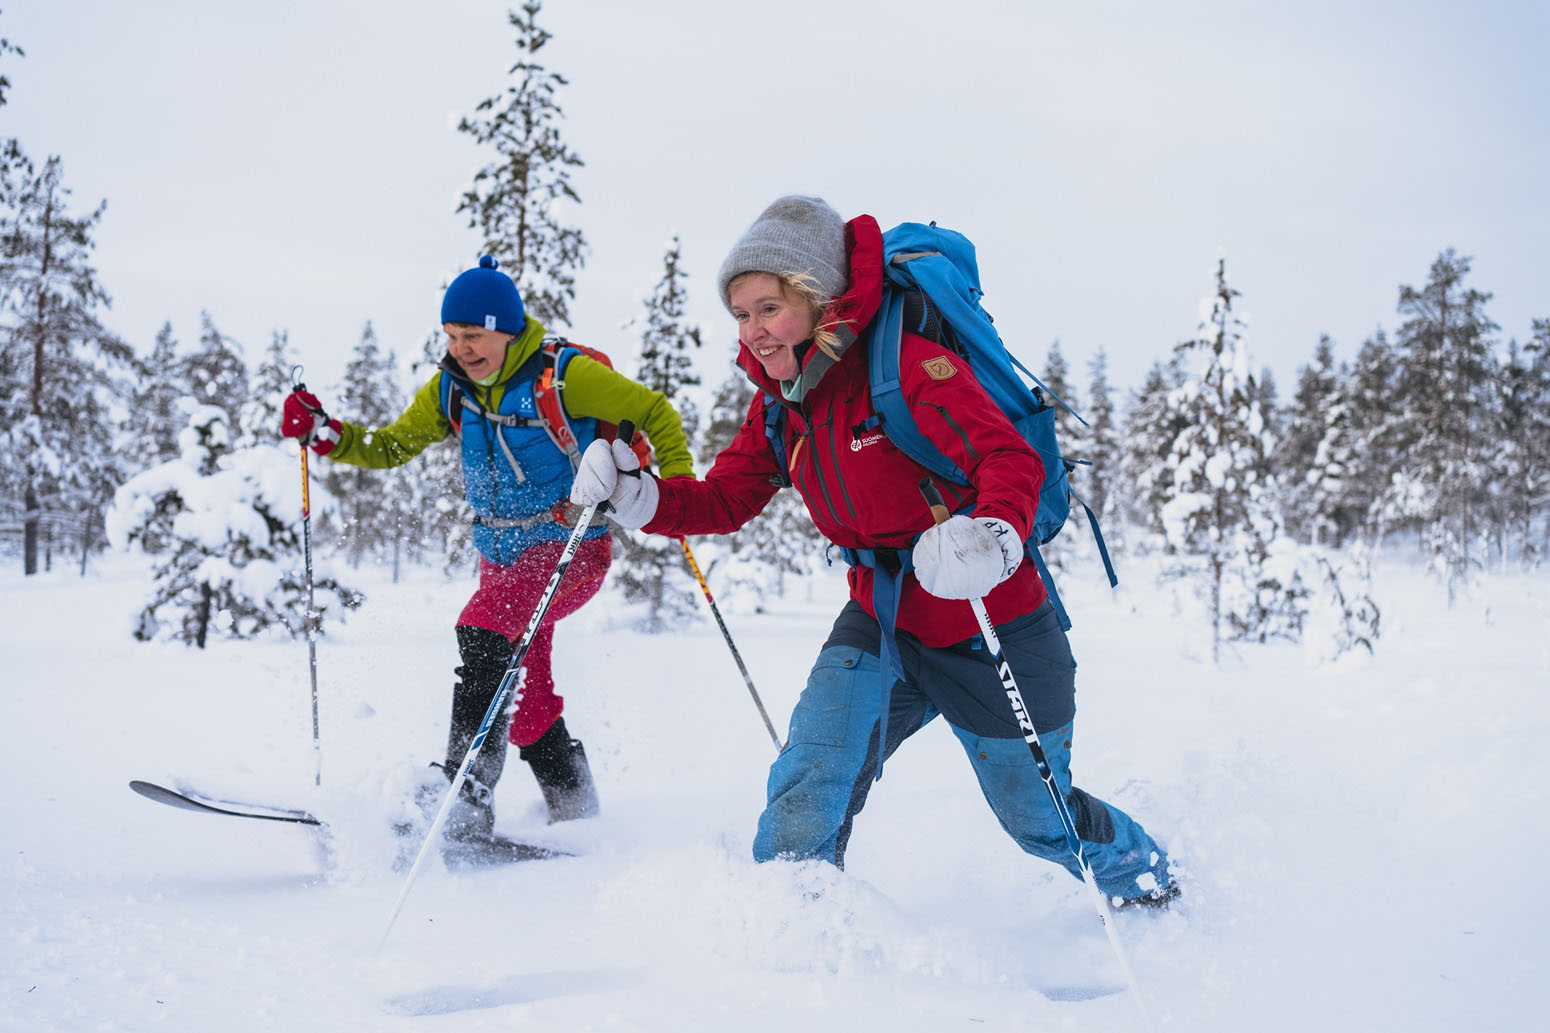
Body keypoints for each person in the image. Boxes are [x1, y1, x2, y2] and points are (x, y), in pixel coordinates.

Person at [571, 197, 1177, 907]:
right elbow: (726, 499)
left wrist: (993, 535)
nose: (754, 332)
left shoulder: (909, 368)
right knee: (810, 779)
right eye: (740, 314)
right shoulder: (782, 402)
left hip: (990, 619)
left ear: (818, 297)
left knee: (1041, 819)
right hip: (881, 619)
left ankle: (1151, 884)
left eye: (769, 307)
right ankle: (791, 934)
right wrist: (641, 497)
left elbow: (1008, 459)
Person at [280, 255, 693, 842]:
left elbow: (654, 411)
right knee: (526, 702)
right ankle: (579, 816)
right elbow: (393, 446)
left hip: (570, 548)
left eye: (473, 335)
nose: (461, 348)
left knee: (486, 629)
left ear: (507, 329)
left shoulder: (565, 378)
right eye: (451, 336)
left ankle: (464, 794)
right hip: (501, 559)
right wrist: (330, 436)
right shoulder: (452, 388)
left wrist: (675, 493)